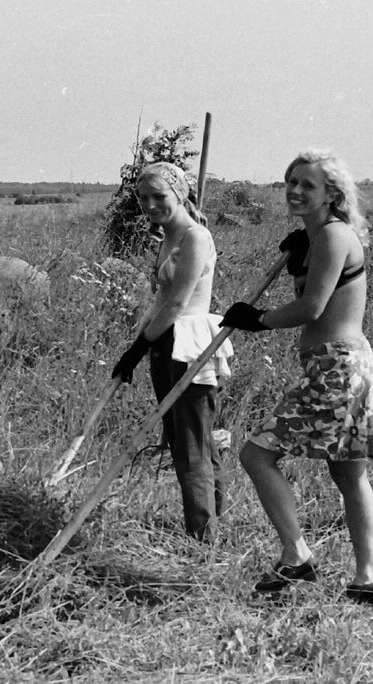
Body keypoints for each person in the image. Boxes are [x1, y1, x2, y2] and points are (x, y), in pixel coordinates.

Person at [221, 149, 373, 603]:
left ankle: (297, 556)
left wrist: (257, 318)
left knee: (255, 455)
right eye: (291, 182)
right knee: (348, 476)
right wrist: (301, 255)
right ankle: (368, 580)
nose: (296, 191)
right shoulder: (321, 237)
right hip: (344, 364)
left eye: (308, 185)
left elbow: (311, 308)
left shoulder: (334, 235)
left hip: (338, 368)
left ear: (332, 194)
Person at [110, 162, 232, 542]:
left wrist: (139, 346)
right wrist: (140, 345)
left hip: (190, 345)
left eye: (158, 196)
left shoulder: (196, 237)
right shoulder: (167, 236)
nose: (150, 205)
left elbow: (178, 302)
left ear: (179, 194)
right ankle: (210, 524)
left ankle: (203, 538)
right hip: (164, 341)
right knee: (187, 438)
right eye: (143, 198)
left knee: (191, 444)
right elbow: (161, 300)